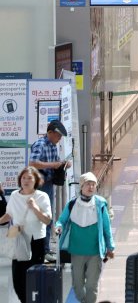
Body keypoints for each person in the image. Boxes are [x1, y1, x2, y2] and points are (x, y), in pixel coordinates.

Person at [54, 172, 115, 303]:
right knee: (77, 285)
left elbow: (106, 227)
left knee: (91, 286)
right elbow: (62, 220)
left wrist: (110, 246)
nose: (91, 187)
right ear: (81, 186)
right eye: (88, 184)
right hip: (76, 251)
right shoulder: (72, 204)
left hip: (95, 252)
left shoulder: (101, 204)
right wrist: (58, 227)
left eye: (93, 184)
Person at [0, 167, 52, 303]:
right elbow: (9, 214)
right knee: (18, 279)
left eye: (30, 178)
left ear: (36, 180)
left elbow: (47, 220)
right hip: (17, 238)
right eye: (23, 178)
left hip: (35, 241)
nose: (26, 181)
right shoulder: (15, 196)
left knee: (34, 278)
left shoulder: (42, 196)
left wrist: (35, 208)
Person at [28, 119, 71, 261]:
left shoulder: (53, 145)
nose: (59, 139)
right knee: (39, 216)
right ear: (50, 133)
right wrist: (53, 165)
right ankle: (39, 250)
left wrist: (63, 164)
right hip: (38, 185)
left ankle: (45, 249)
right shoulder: (40, 144)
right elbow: (33, 163)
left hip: (49, 184)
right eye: (57, 136)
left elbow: (55, 162)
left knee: (47, 216)